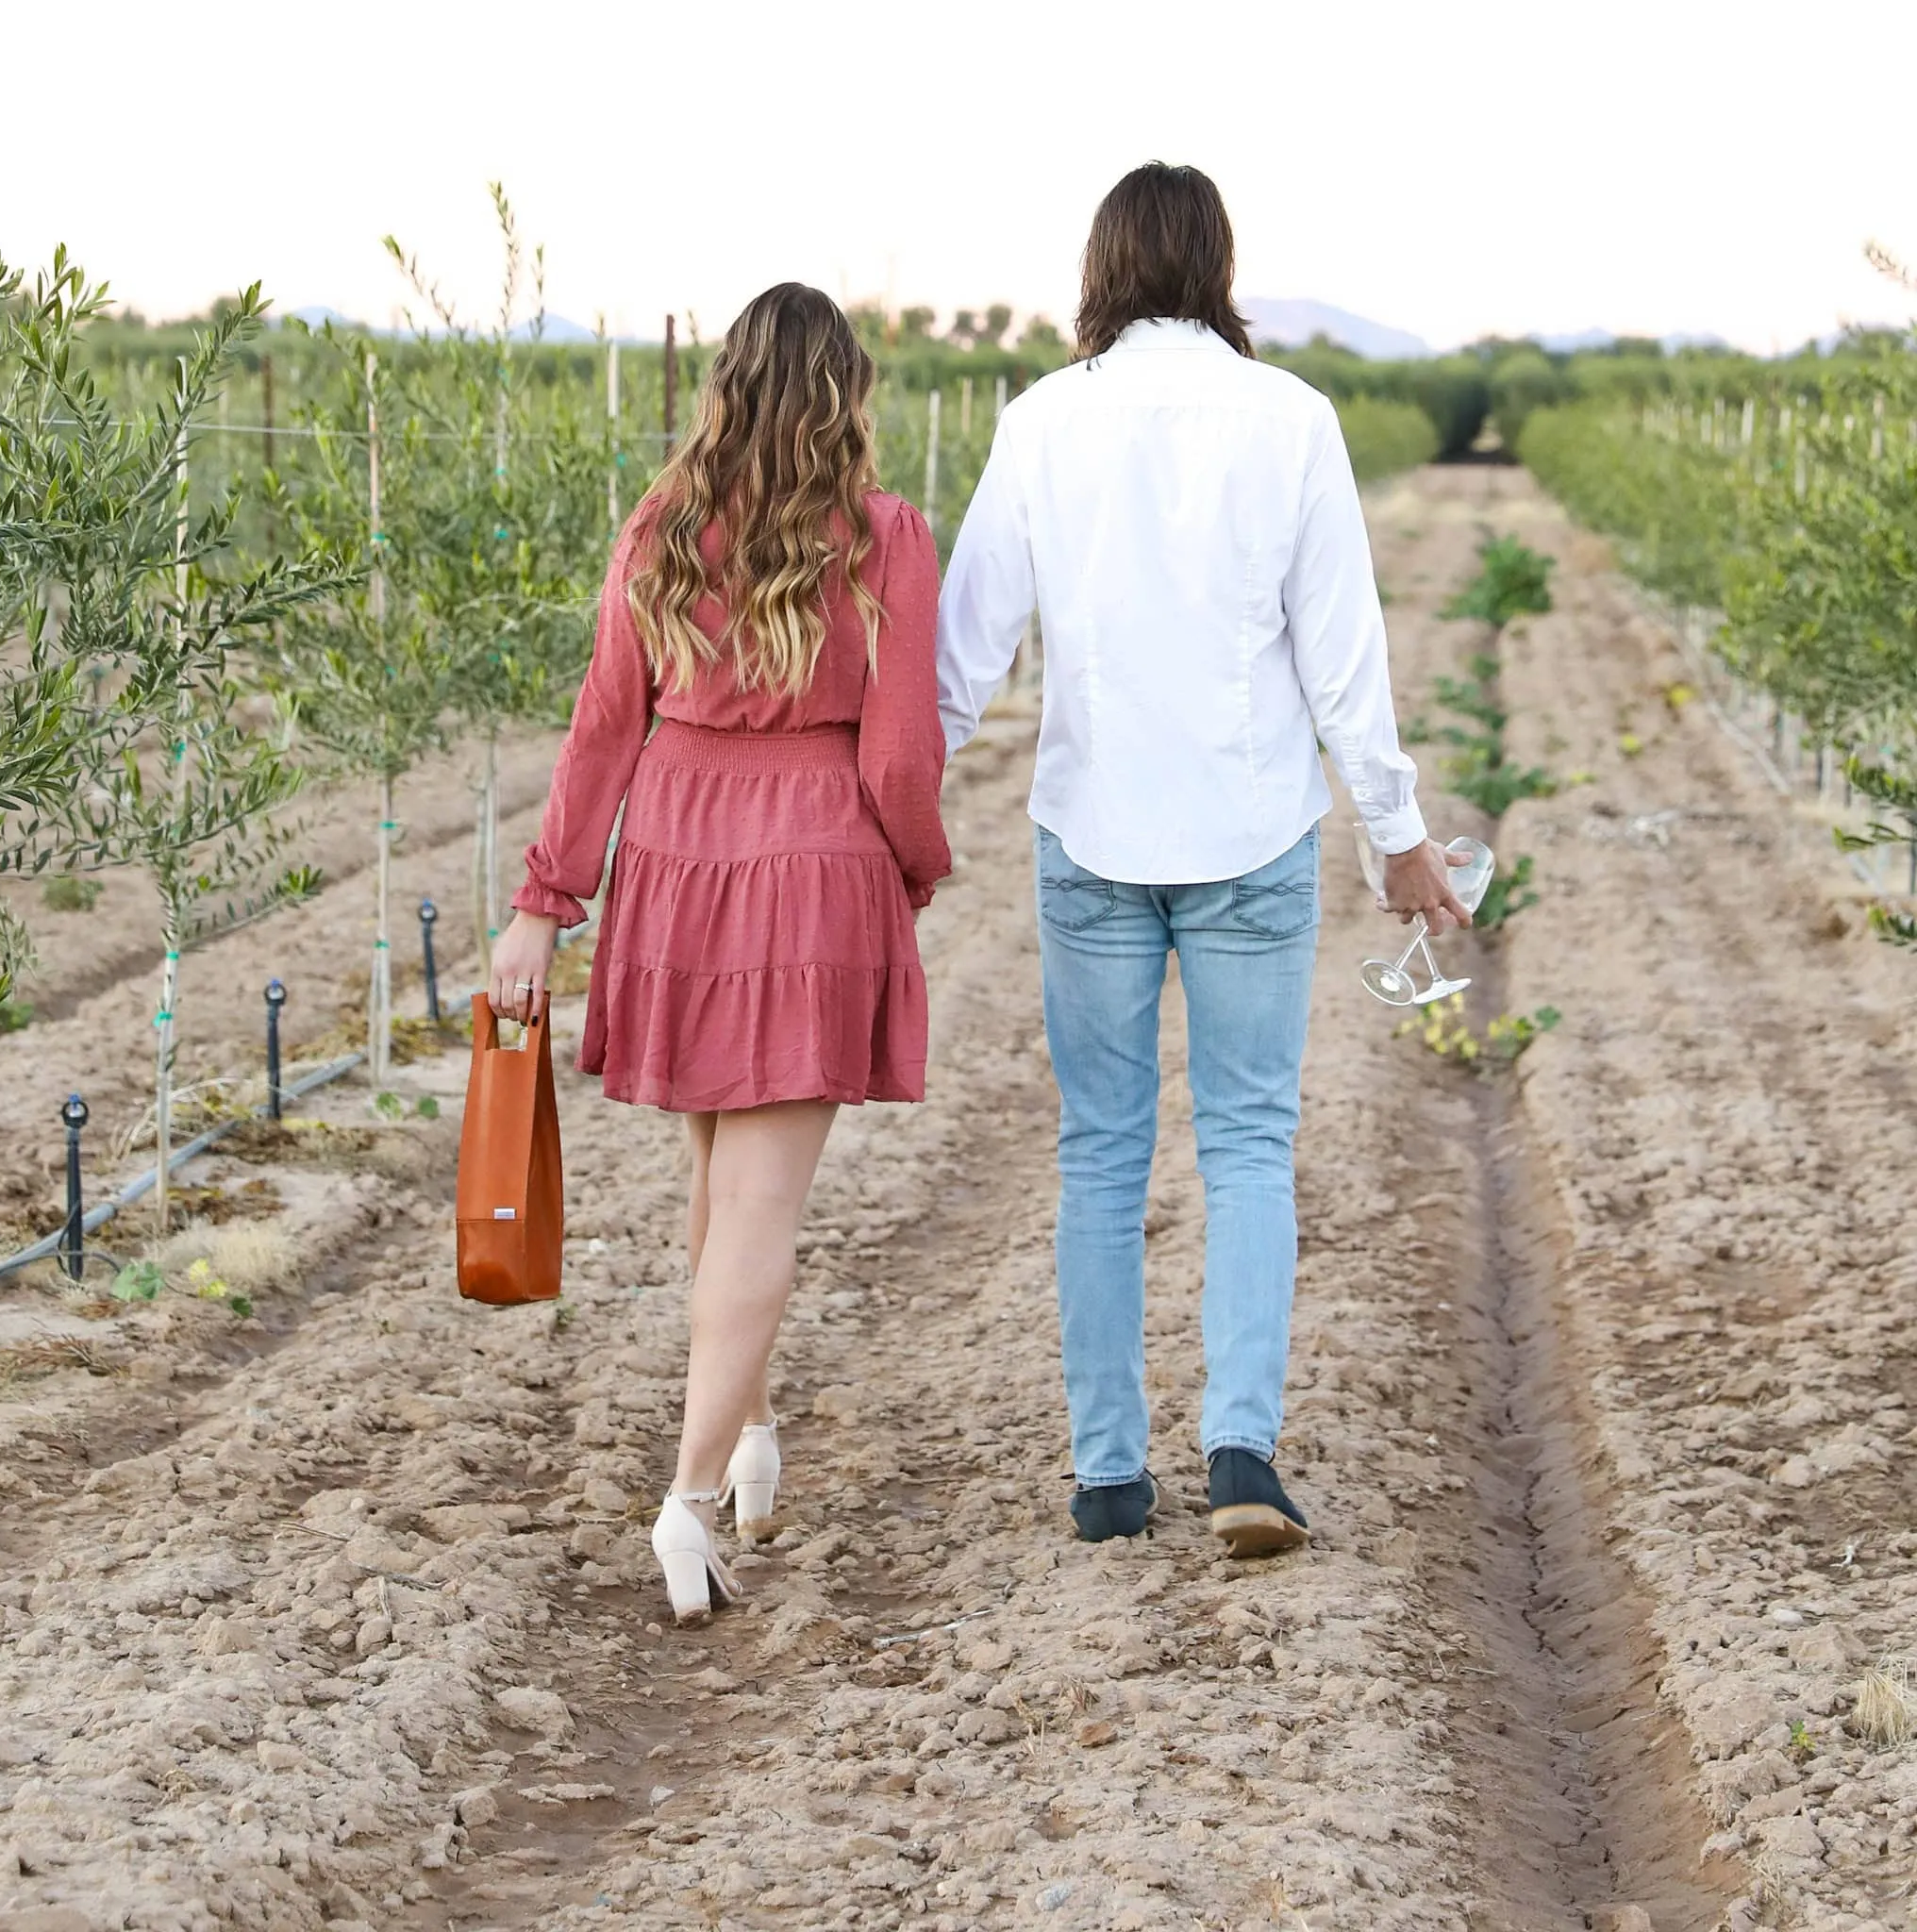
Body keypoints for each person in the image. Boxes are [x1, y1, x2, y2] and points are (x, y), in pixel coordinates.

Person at [936, 162, 1466, 1556]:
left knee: (1101, 1154)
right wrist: (1398, 838)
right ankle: (1241, 1455)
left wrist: (896, 814)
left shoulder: (1043, 421)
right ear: (1218, 267)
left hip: (1091, 833)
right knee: (1247, 1146)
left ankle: (1109, 1474)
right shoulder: (1292, 419)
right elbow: (1344, 660)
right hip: (1250, 837)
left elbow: (965, 645)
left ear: (1101, 270)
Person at [491, 283, 951, 1624]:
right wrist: (912, 864)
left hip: (679, 855)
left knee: (712, 1174)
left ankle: (749, 1439)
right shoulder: (884, 538)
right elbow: (905, 750)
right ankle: (688, 1503)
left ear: (728, 390)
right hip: (813, 854)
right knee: (758, 1205)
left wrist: (545, 900)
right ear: (847, 395)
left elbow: (598, 729)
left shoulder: (664, 529)